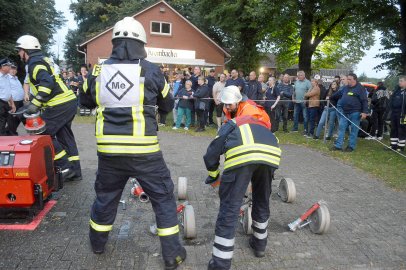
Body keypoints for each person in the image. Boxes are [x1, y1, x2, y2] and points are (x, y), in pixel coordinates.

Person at [79, 17, 186, 268]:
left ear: (114, 42)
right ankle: (172, 255)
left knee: (105, 198)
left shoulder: (99, 70)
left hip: (109, 154)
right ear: (142, 43)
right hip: (145, 153)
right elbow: (168, 105)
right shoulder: (151, 70)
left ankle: (97, 244)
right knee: (163, 199)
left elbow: (84, 102)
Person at [203, 115, 281, 270]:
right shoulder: (262, 123)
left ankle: (220, 263)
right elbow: (275, 141)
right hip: (270, 156)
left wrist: (213, 175)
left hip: (242, 157)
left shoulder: (231, 124)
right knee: (262, 201)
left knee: (229, 209)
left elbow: (213, 151)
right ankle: (259, 245)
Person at [16, 35, 81, 180]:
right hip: (67, 101)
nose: (19, 54)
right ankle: (75, 171)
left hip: (59, 104)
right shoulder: (43, 59)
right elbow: (45, 84)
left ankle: (65, 167)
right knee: (65, 136)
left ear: (26, 50)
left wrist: (35, 103)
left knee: (42, 133)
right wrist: (31, 103)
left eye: (20, 50)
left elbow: (47, 84)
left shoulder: (34, 62)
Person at [330, 73, 368, 152]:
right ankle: (338, 145)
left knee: (354, 130)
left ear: (354, 80)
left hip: (355, 113)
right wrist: (330, 97)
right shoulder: (345, 88)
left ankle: (351, 146)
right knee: (341, 128)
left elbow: (364, 101)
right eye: (347, 79)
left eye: (349, 79)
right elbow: (338, 94)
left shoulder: (360, 88)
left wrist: (364, 112)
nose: (348, 81)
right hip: (345, 112)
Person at [388, 76, 406, 151]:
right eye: (399, 81)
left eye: (401, 81)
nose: (399, 82)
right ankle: (393, 145)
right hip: (394, 113)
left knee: (401, 129)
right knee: (393, 128)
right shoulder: (397, 91)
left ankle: (400, 147)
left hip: (403, 115)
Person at [7, 63, 25, 135]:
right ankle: (11, 134)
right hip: (13, 102)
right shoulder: (7, 78)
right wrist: (11, 103)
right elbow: (7, 92)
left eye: (15, 69)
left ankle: (8, 132)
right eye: (12, 69)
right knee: (12, 120)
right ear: (8, 69)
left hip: (20, 102)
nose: (13, 70)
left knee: (19, 118)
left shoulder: (16, 78)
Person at [0, 58, 16, 135]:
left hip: (5, 103)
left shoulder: (6, 77)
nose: (10, 67)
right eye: (8, 66)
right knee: (1, 123)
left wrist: (12, 104)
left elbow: (8, 92)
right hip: (0, 103)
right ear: (2, 67)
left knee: (7, 121)